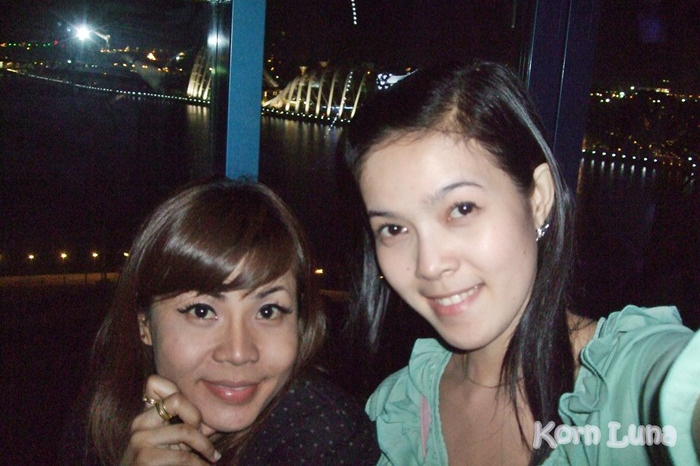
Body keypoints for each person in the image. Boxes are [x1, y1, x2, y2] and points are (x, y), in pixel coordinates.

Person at [340, 61, 700, 465]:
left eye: (461, 208)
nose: (429, 265)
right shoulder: (398, 409)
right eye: (393, 229)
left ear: (538, 199)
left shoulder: (618, 380)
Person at [65, 178, 379, 465]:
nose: (239, 353)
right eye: (202, 311)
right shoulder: (98, 420)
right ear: (144, 324)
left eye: (268, 311)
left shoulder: (323, 435)